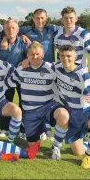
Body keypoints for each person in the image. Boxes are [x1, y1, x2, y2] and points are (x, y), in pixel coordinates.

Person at [5, 42, 70, 160]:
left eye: (38, 54)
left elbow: (68, 76)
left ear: (43, 55)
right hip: (31, 112)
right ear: (27, 56)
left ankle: (56, 147)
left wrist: (83, 94)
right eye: (32, 54)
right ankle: (41, 132)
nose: (35, 57)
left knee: (63, 115)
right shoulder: (21, 70)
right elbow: (9, 83)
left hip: (48, 107)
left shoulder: (51, 68)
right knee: (32, 149)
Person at [55, 45, 90, 169]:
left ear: (75, 57)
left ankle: (88, 157)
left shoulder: (83, 74)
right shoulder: (57, 67)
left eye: (69, 56)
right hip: (70, 112)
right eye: (62, 55)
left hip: (84, 111)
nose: (65, 59)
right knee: (78, 152)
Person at [18, 8, 60, 141]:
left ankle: (46, 129)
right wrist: (21, 36)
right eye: (37, 18)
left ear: (46, 18)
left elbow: (68, 28)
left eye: (42, 18)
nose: (40, 20)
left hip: (49, 72)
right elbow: (10, 30)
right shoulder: (26, 30)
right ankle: (25, 129)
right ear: (33, 19)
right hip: (31, 71)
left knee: (48, 102)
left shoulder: (53, 29)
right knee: (27, 101)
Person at [0, 19, 28, 139]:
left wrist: (26, 60)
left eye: (13, 28)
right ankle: (4, 128)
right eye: (8, 28)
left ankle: (23, 129)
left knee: (24, 102)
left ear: (18, 30)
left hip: (21, 77)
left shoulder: (24, 42)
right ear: (4, 31)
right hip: (5, 78)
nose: (11, 30)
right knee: (5, 102)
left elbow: (30, 55)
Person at [54, 6, 90, 79]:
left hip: (79, 75)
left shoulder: (84, 34)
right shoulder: (57, 33)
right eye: (65, 18)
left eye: (71, 18)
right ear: (61, 20)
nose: (68, 21)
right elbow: (55, 49)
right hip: (62, 75)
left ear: (76, 19)